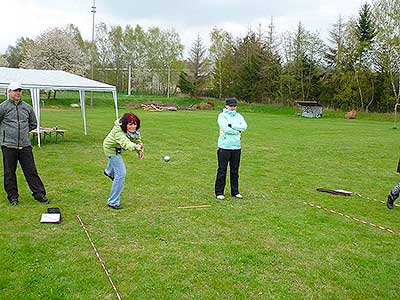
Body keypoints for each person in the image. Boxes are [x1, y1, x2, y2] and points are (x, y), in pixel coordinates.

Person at [0, 82, 49, 206]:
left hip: (25, 145)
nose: (18, 93)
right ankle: (13, 197)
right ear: (9, 92)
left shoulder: (27, 107)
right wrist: (6, 135)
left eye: (19, 91)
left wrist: (22, 133)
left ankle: (39, 194)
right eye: (15, 90)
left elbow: (33, 123)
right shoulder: (3, 107)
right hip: (8, 146)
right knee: (9, 172)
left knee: (31, 170)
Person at [103, 112, 144, 209]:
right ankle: (113, 202)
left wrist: (140, 150)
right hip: (111, 149)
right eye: (130, 124)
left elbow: (137, 139)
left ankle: (109, 171)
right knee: (121, 174)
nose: (133, 127)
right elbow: (125, 143)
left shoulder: (134, 131)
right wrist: (135, 147)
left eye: (135, 124)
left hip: (118, 149)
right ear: (125, 124)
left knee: (117, 173)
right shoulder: (118, 132)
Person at [215, 98, 247, 200]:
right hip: (224, 146)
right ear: (226, 106)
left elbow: (244, 127)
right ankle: (219, 192)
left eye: (234, 106)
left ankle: (235, 191)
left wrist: (233, 125)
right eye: (231, 106)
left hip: (236, 146)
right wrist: (237, 131)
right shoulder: (222, 115)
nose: (233, 108)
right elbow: (225, 129)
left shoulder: (239, 116)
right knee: (222, 170)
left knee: (235, 170)